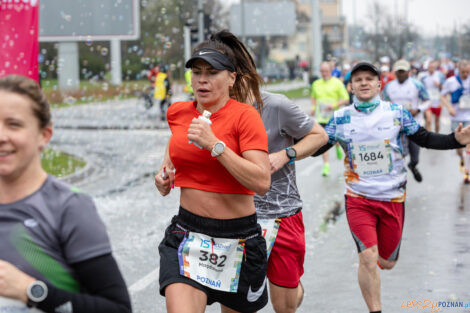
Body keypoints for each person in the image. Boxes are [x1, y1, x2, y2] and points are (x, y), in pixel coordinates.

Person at [313, 62, 470, 313]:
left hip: (392, 197)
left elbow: (424, 137)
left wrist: (454, 140)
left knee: (387, 261)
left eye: (369, 78)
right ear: (351, 87)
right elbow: (318, 146)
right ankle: (375, 310)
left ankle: (385, 259)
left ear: (379, 84)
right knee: (368, 257)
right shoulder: (341, 118)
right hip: (358, 197)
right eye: (358, 79)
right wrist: (290, 149)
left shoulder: (396, 112)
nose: (364, 83)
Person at [154, 31, 271, 313]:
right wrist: (163, 178)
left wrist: (215, 146)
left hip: (238, 239)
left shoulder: (245, 116)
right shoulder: (178, 113)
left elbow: (261, 181)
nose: (202, 79)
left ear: (231, 78)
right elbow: (173, 156)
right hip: (188, 234)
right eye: (197, 72)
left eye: (212, 72)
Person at [0, 75, 131, 313]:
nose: (1, 136)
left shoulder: (69, 207)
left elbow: (118, 309)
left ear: (44, 135)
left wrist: (31, 291)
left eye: (14, 124)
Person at [255, 90, 328, 313]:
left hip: (281, 214)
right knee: (237, 299)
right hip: (238, 216)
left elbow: (320, 136)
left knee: (284, 306)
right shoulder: (213, 107)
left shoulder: (275, 105)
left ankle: (291, 286)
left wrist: (286, 154)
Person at [383, 59, 430, 182]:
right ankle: (398, 177)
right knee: (400, 153)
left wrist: (418, 109)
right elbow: (384, 103)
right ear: (395, 73)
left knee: (415, 157)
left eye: (403, 71)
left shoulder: (417, 85)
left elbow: (427, 100)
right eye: (398, 71)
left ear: (408, 72)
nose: (401, 74)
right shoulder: (389, 86)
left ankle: (412, 165)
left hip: (414, 124)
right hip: (397, 125)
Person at [310, 61, 350, 176]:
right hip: (322, 118)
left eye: (326, 71)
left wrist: (334, 105)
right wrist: (313, 107)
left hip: (335, 117)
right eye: (322, 71)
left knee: (335, 139)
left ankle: (337, 145)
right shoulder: (316, 84)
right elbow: (313, 97)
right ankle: (326, 166)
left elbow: (346, 99)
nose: (324, 73)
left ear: (330, 71)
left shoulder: (337, 83)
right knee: (323, 142)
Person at [441, 59, 470, 183]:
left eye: (468, 72)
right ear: (458, 70)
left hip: (468, 117)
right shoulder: (451, 82)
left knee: (468, 145)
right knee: (459, 147)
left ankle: (467, 173)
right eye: (463, 72)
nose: (465, 74)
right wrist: (449, 108)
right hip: (456, 118)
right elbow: (442, 95)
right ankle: (462, 158)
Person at [421, 60, 445, 132]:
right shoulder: (423, 76)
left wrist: (439, 85)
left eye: (433, 67)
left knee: (437, 121)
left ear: (435, 67)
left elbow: (444, 88)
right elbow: (421, 89)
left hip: (437, 102)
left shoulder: (439, 75)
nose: (431, 68)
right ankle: (429, 139)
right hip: (428, 101)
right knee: (428, 120)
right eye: (430, 67)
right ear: (427, 67)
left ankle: (436, 136)